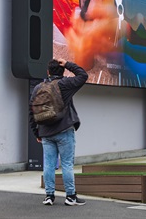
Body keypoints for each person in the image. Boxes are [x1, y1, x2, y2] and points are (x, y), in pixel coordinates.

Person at [29, 58, 88, 206]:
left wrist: (37, 133)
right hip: (64, 130)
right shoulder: (64, 84)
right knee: (67, 164)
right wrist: (67, 64)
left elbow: (31, 112)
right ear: (62, 71)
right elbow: (83, 75)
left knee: (48, 164)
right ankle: (70, 197)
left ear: (48, 72)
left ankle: (49, 196)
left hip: (45, 133)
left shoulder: (38, 88)